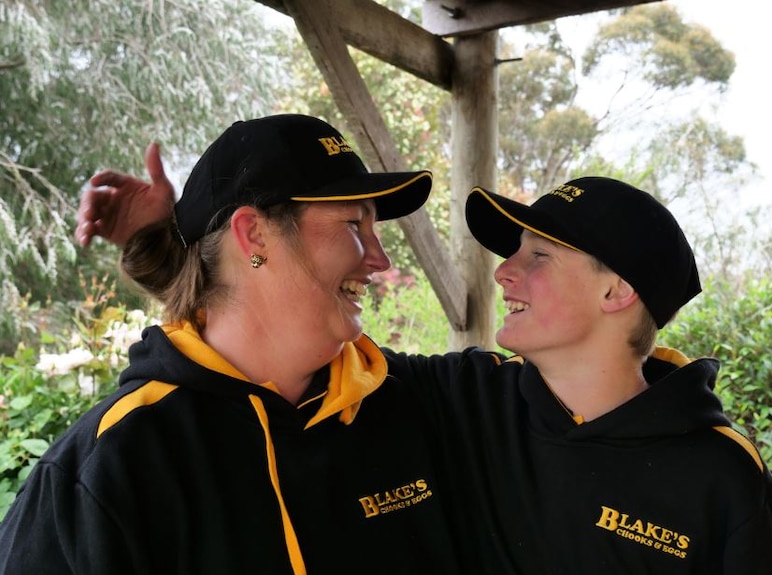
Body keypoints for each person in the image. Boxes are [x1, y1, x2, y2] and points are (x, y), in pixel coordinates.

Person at [65, 138, 772, 573]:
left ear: (617, 293)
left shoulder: (721, 474)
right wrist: (177, 240)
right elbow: (254, 339)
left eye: (537, 255)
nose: (504, 272)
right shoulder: (466, 404)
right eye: (354, 225)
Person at [0, 114, 468, 574]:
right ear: (254, 234)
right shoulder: (110, 466)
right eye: (352, 224)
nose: (381, 260)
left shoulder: (415, 402)